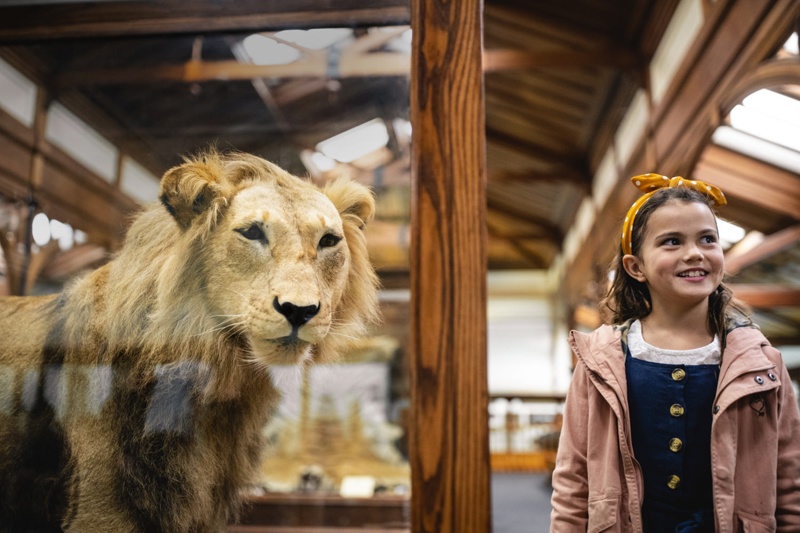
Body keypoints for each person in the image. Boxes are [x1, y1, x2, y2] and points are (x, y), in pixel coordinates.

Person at [549, 174, 800, 532]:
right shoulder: (599, 362)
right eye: (672, 241)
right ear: (636, 267)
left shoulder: (762, 362)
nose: (695, 252)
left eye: (707, 239)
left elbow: (789, 480)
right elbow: (573, 481)